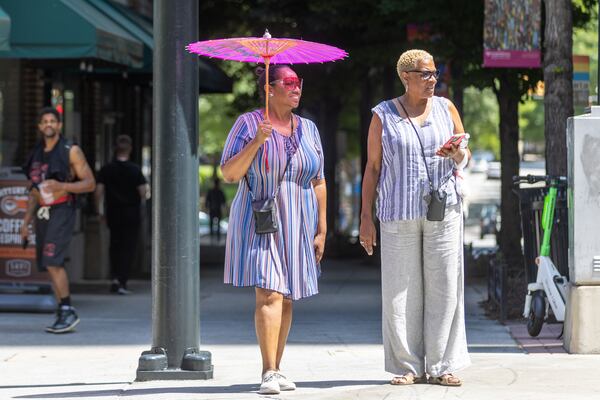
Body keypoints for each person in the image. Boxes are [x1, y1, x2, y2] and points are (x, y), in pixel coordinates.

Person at [359, 49, 471, 387]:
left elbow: (465, 153)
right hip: (397, 212)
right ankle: (406, 366)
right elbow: (373, 168)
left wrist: (458, 153)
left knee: (445, 287)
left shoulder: (446, 108)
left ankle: (442, 364)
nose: (432, 79)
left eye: (435, 73)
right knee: (400, 291)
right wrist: (366, 217)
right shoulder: (383, 115)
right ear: (406, 77)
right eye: (425, 74)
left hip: (444, 210)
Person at [220, 64, 327, 395]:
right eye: (290, 82)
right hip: (261, 218)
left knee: (288, 297)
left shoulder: (308, 129)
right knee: (270, 291)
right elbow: (229, 173)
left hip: (299, 220)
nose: (297, 89)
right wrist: (257, 141)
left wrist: (322, 227)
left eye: (299, 83)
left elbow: (319, 179)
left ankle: (277, 367)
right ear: (269, 88)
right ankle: (268, 371)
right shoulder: (248, 124)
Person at [21, 107, 96, 334]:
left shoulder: (70, 150)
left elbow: (90, 183)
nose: (48, 124)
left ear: (59, 125)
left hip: (63, 209)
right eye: (44, 121)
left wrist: (62, 186)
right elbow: (34, 193)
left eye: (52, 120)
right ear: (39, 126)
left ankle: (67, 310)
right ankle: (61, 311)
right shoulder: (35, 153)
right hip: (43, 213)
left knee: (54, 261)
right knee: (49, 264)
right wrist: (25, 223)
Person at [95, 135, 148, 295]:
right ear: (130, 149)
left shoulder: (106, 169)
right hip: (131, 214)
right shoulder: (135, 170)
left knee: (115, 245)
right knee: (128, 247)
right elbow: (143, 193)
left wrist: (99, 211)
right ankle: (122, 281)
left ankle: (115, 278)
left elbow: (98, 192)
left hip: (113, 212)